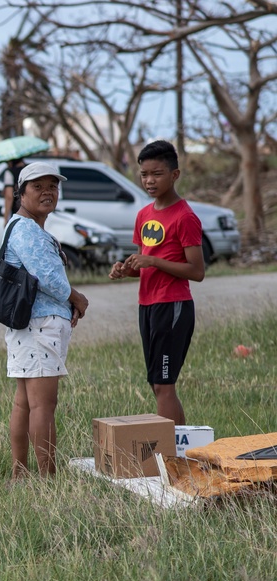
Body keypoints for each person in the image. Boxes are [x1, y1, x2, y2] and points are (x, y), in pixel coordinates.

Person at [3, 162, 89, 479]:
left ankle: (20, 473)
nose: (47, 192)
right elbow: (49, 279)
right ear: (20, 193)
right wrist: (77, 299)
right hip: (39, 326)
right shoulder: (26, 229)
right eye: (37, 186)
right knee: (42, 406)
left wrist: (68, 308)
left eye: (52, 186)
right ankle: (46, 479)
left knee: (25, 403)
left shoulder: (26, 227)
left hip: (31, 324)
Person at [109, 140, 204, 424]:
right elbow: (143, 261)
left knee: (164, 384)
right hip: (147, 305)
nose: (149, 181)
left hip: (173, 306)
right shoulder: (144, 214)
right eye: (144, 174)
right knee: (157, 384)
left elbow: (197, 271)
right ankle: (183, 448)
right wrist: (128, 269)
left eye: (157, 174)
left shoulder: (185, 217)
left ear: (174, 175)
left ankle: (167, 458)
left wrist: (153, 262)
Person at [2, 157, 28, 224]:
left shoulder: (10, 172)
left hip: (18, 213)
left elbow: (9, 197)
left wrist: (5, 219)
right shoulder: (29, 170)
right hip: (33, 212)